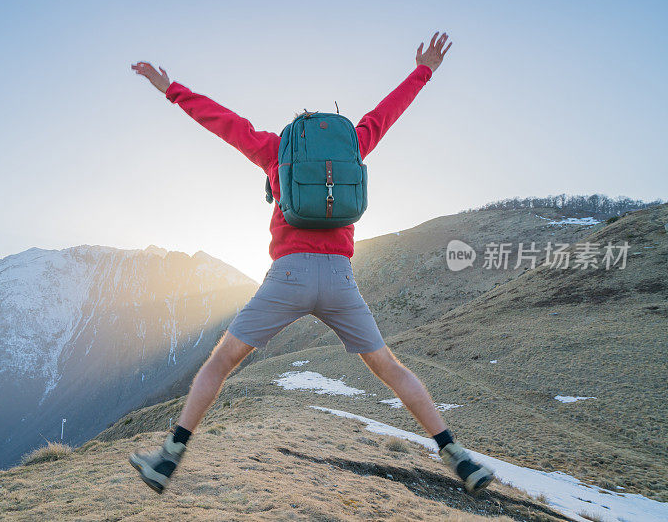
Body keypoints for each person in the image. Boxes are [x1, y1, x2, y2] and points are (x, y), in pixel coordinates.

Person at [128, 32, 494, 495]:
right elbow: (388, 113)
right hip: (341, 279)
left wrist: (170, 88)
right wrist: (424, 69)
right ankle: (457, 457)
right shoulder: (354, 146)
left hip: (289, 275)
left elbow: (221, 121)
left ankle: (168, 459)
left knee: (220, 363)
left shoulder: (275, 151)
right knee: (390, 368)